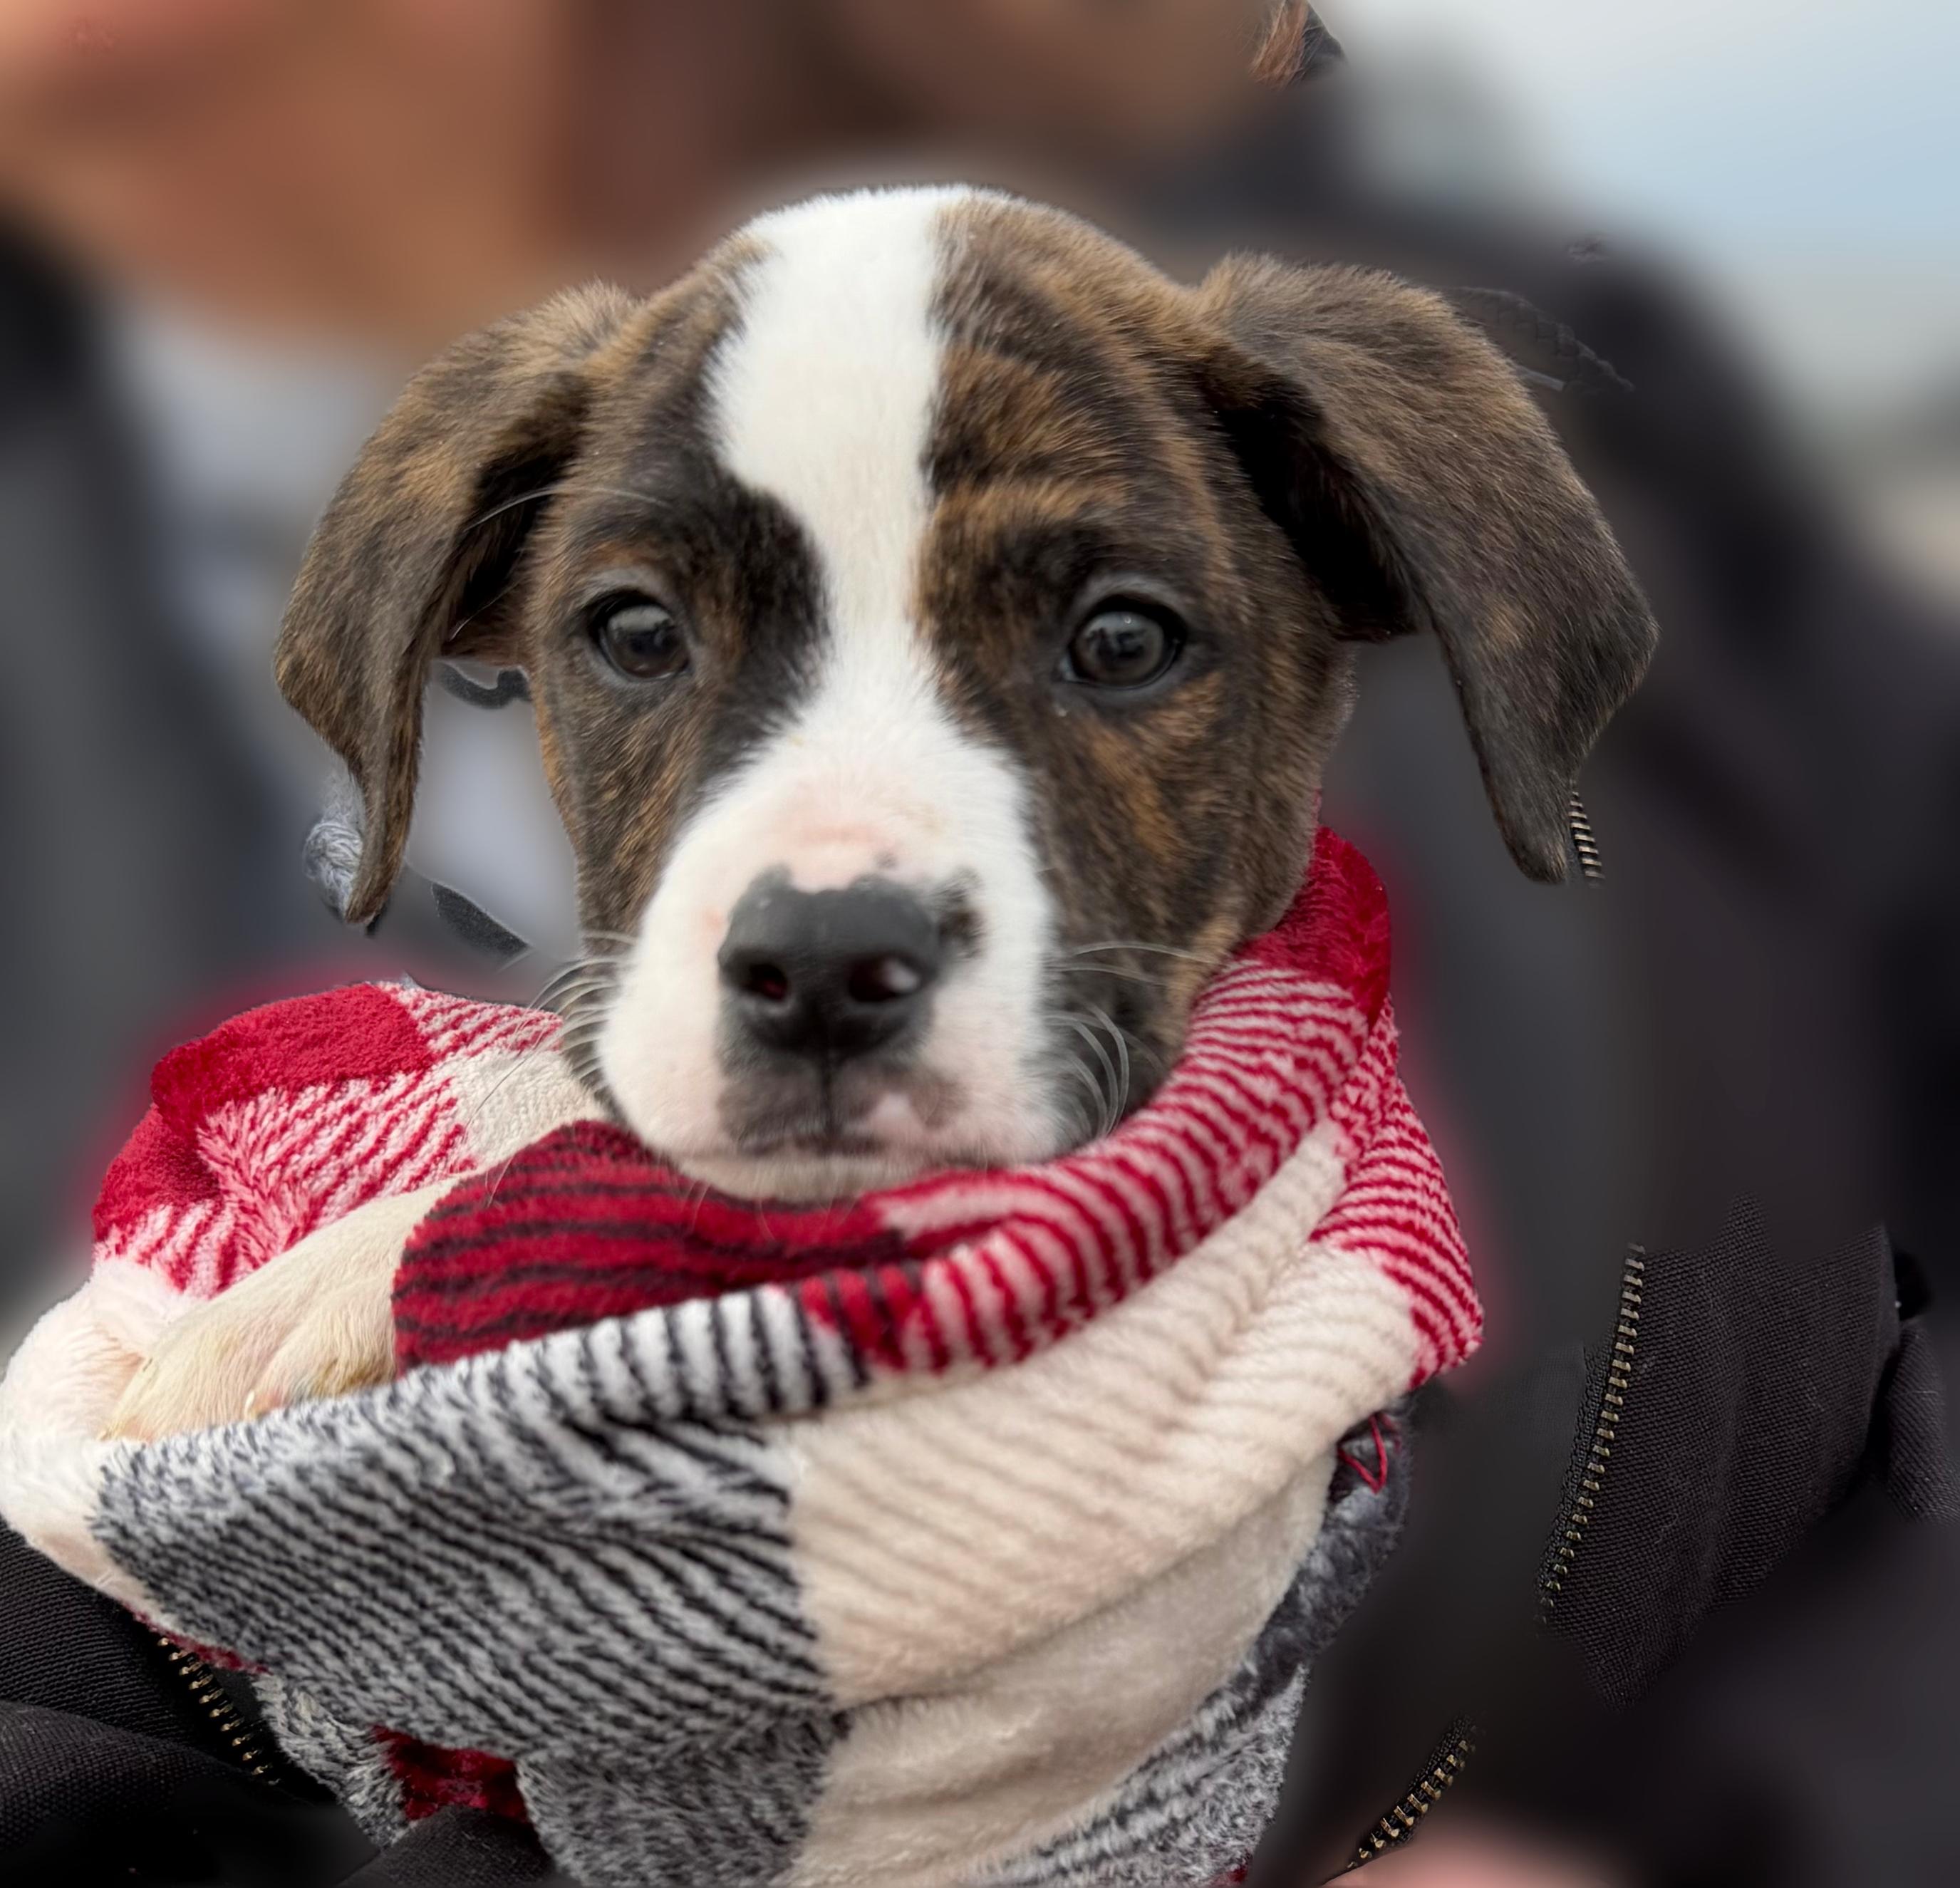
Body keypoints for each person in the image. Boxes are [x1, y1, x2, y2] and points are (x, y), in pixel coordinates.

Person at [1, 5, 1955, 1882]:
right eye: (644, 634)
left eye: (1111, 641)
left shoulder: (1540, 412)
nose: (837, 892)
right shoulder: (242, 1082)